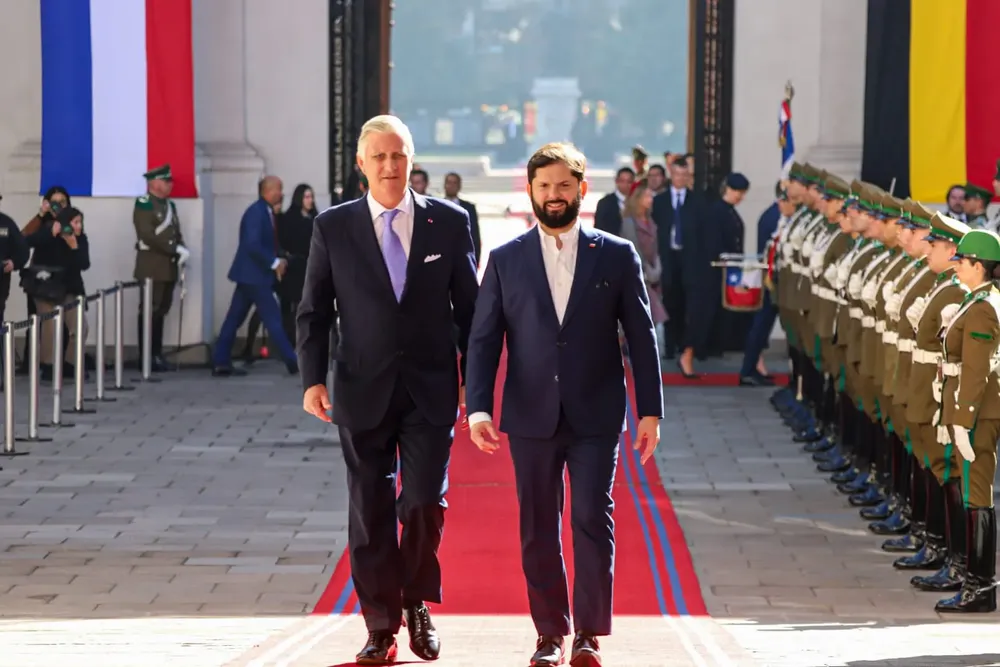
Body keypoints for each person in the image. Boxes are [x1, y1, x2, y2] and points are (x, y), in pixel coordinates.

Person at [465, 142, 663, 667]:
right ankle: (549, 633)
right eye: (544, 186)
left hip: (597, 413)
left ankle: (588, 636)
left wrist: (650, 411)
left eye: (564, 186)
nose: (554, 196)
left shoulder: (617, 255)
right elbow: (484, 339)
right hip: (530, 415)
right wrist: (479, 408)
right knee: (538, 526)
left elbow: (641, 336)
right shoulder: (505, 261)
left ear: (582, 190)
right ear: (530, 191)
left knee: (592, 520)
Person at [297, 114, 479, 664]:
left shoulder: (449, 223)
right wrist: (311, 379)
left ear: (411, 159)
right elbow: (313, 309)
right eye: (379, 156)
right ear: (361, 165)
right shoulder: (333, 227)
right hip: (360, 386)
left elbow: (471, 312)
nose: (390, 165)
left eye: (398, 155)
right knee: (370, 507)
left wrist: (479, 382)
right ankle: (380, 625)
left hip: (431, 388)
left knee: (425, 500)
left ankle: (415, 598)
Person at [934, 229, 1000, 613]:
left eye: (963, 261)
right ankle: (976, 583)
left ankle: (981, 587)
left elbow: (976, 370)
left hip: (978, 411)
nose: (957, 265)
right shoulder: (976, 301)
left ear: (980, 266)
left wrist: (961, 420)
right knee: (975, 496)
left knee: (978, 497)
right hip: (973, 408)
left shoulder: (983, 307)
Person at [211, 176, 297, 376]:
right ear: (268, 191)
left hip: (249, 276)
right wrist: (274, 262)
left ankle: (221, 361)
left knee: (234, 319)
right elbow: (252, 245)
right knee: (273, 318)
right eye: (279, 189)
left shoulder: (263, 211)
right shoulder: (256, 213)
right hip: (255, 277)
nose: (281, 193)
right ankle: (292, 361)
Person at [133, 164, 189, 372]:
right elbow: (147, 234)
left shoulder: (169, 206)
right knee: (150, 312)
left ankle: (156, 354)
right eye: (166, 181)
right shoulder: (144, 203)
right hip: (151, 266)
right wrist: (174, 249)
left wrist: (181, 248)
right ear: (154, 184)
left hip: (168, 267)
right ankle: (146, 356)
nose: (170, 185)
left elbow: (175, 231)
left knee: (161, 311)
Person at [739, 186, 797, 385]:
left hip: (778, 283)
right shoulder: (774, 218)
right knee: (761, 327)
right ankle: (749, 369)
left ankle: (751, 368)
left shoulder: (776, 216)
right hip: (773, 283)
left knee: (764, 327)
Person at [651, 154, 699, 362]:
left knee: (688, 302)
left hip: (688, 259)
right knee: (670, 301)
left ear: (688, 176)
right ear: (671, 174)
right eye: (677, 174)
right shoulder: (659, 201)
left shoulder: (696, 201)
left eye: (684, 175)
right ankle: (669, 346)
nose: (680, 178)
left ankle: (684, 345)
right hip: (668, 257)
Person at [442, 172, 482, 265]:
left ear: (459, 186)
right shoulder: (435, 206)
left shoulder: (469, 208)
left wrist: (476, 260)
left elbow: (475, 235)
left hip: (464, 260)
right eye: (449, 182)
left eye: (454, 183)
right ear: (444, 185)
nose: (451, 186)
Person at [593, 167, 634, 237]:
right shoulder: (605, 203)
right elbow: (598, 229)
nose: (625, 185)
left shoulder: (636, 202)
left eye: (629, 181)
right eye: (622, 181)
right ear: (616, 181)